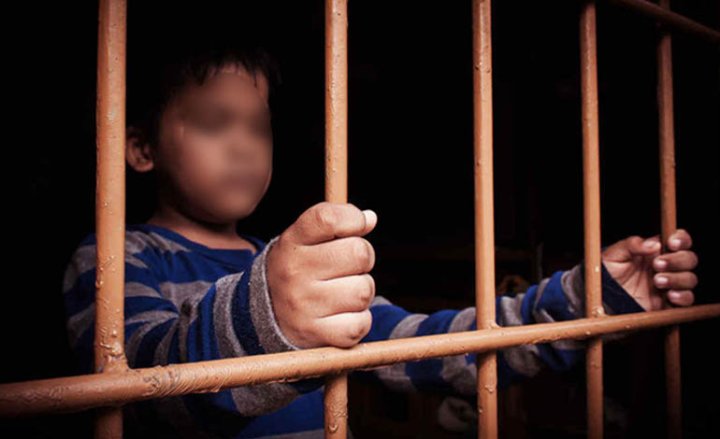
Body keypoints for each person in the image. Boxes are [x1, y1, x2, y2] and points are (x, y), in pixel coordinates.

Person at [61, 44, 699, 438]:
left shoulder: (293, 267)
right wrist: (269, 317)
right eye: (212, 122)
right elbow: (138, 396)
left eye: (259, 127)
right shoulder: (119, 256)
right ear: (140, 148)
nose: (244, 145)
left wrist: (583, 301)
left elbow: (432, 350)